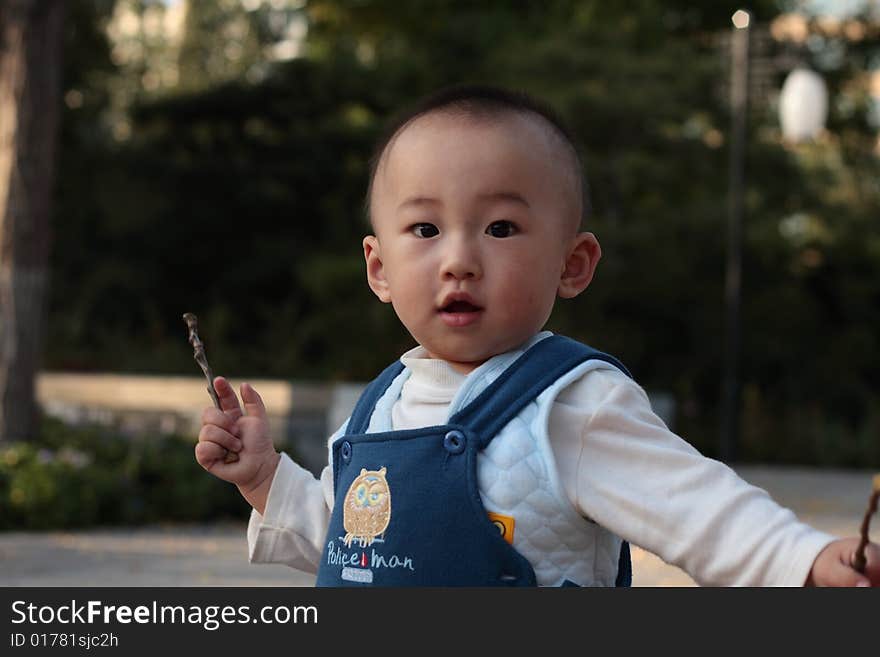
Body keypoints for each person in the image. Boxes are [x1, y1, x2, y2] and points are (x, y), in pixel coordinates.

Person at [195, 84, 879, 587]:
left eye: (500, 227)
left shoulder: (574, 404)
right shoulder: (378, 409)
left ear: (572, 263)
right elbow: (350, 545)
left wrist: (806, 560)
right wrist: (263, 478)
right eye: (426, 229)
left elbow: (696, 506)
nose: (459, 258)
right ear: (379, 267)